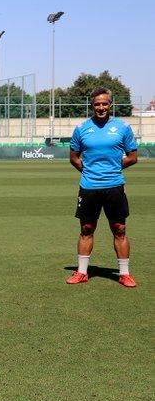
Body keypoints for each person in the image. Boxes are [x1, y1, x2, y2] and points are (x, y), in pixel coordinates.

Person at [66, 87, 138, 288]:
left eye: (104, 103)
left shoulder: (123, 127)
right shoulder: (81, 129)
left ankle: (124, 274)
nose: (101, 107)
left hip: (115, 186)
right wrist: (89, 171)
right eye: (97, 104)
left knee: (120, 229)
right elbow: (73, 158)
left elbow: (133, 157)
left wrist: (113, 168)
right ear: (92, 105)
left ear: (110, 105)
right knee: (87, 228)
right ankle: (81, 272)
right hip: (89, 186)